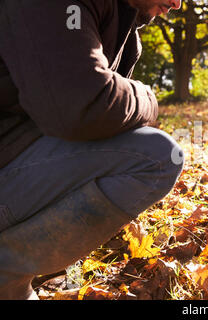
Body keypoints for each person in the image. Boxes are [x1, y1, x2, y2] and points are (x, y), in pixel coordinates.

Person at [0, 0, 183, 299]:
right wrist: (148, 97)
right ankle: (6, 272)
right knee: (155, 157)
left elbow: (108, 120)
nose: (176, 3)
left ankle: (14, 278)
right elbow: (82, 107)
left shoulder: (125, 31)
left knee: (145, 151)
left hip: (18, 159)